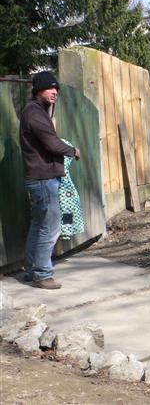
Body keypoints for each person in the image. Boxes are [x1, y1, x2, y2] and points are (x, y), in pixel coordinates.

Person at [20, 71, 80, 290]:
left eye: (57, 89)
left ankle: (30, 270)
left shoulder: (35, 111)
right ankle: (43, 274)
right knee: (50, 227)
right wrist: (73, 150)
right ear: (38, 90)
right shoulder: (34, 113)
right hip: (43, 179)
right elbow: (51, 144)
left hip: (39, 178)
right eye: (50, 88)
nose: (55, 92)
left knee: (38, 225)